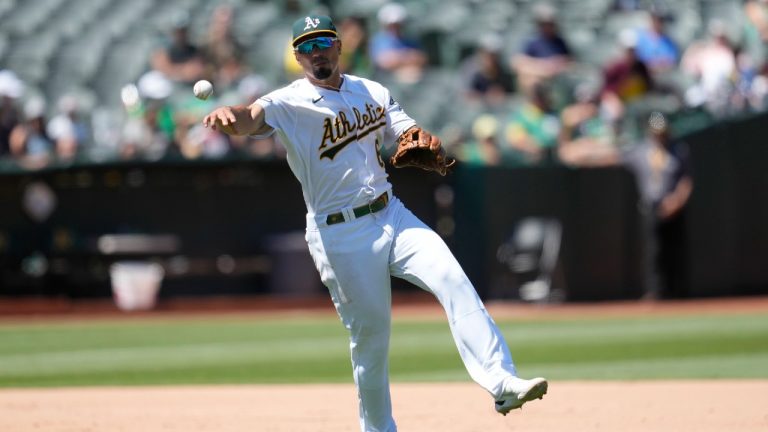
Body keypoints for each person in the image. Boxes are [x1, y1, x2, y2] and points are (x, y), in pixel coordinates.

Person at [202, 14, 547, 432]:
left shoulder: (373, 91)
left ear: (339, 45)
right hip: (339, 234)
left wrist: (419, 137)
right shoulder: (287, 102)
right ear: (297, 56)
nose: (316, 52)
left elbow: (408, 130)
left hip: (391, 212)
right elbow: (251, 117)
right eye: (307, 47)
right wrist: (229, 115)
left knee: (452, 278)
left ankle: (500, 381)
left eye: (323, 42)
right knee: (371, 342)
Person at [622, 111, 693, 299]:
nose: (660, 136)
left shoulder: (678, 150)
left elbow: (686, 180)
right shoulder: (642, 150)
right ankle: (655, 292)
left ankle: (678, 291)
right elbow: (613, 155)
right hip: (651, 207)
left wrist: (677, 201)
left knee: (676, 250)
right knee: (654, 251)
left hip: (673, 205)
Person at [511, 2, 572, 96]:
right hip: (538, 77)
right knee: (527, 79)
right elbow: (517, 63)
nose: (547, 27)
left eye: (550, 23)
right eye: (544, 24)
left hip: (556, 80)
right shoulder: (532, 41)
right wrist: (543, 68)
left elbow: (567, 62)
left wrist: (555, 66)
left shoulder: (560, 42)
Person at [369, 3, 428, 83]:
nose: (395, 27)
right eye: (392, 25)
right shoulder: (378, 40)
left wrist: (398, 58)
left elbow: (422, 58)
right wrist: (408, 57)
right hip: (387, 81)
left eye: (398, 24)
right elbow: (384, 62)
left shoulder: (409, 39)